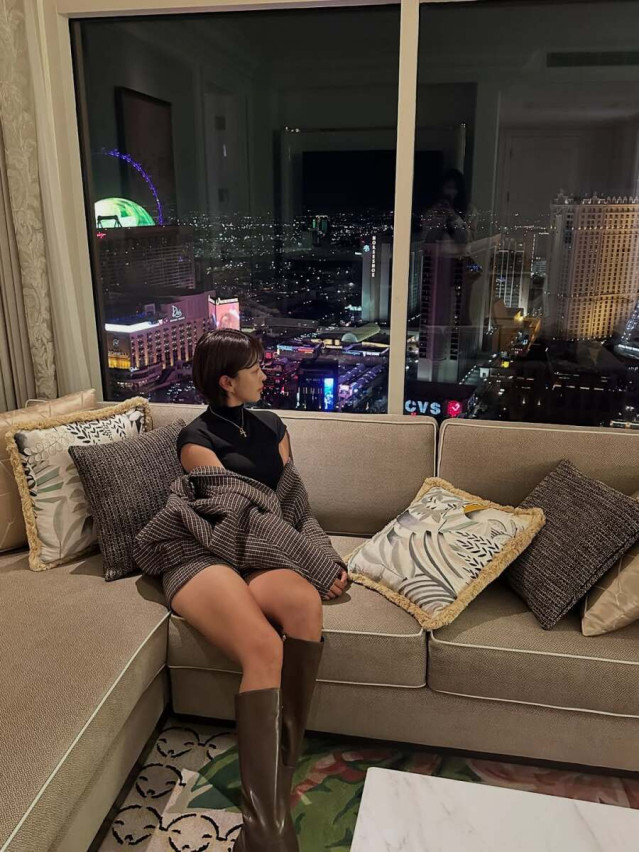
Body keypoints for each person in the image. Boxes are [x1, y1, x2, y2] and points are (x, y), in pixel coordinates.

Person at [168, 328, 348, 852]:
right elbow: (237, 519)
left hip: (263, 553)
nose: (266, 374)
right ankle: (267, 833)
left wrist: (325, 557)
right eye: (255, 368)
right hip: (210, 550)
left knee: (305, 604)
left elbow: (295, 507)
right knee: (265, 648)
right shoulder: (196, 441)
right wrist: (308, 561)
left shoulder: (273, 426)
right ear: (227, 382)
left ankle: (277, 776)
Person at [422, 167, 478, 246]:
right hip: (437, 253)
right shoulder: (433, 210)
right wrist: (440, 220)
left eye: (455, 188)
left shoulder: (470, 210)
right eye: (448, 187)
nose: (451, 192)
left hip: (460, 253)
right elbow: (427, 241)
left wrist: (454, 217)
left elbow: (467, 240)